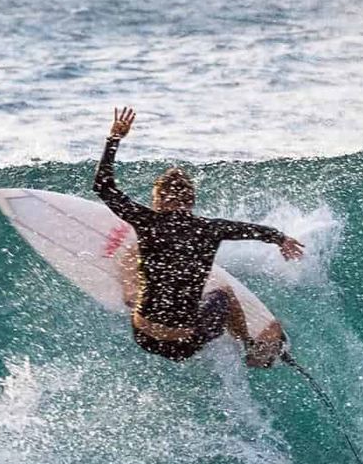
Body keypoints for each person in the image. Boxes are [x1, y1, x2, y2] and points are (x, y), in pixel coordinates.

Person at [93, 107, 303, 367]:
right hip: (183, 345)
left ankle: (132, 294)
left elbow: (102, 186)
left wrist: (114, 139)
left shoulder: (147, 221)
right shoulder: (211, 228)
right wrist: (281, 238)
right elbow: (252, 230)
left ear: (157, 200)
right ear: (191, 201)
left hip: (143, 335)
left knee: (138, 255)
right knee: (223, 295)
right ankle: (249, 346)